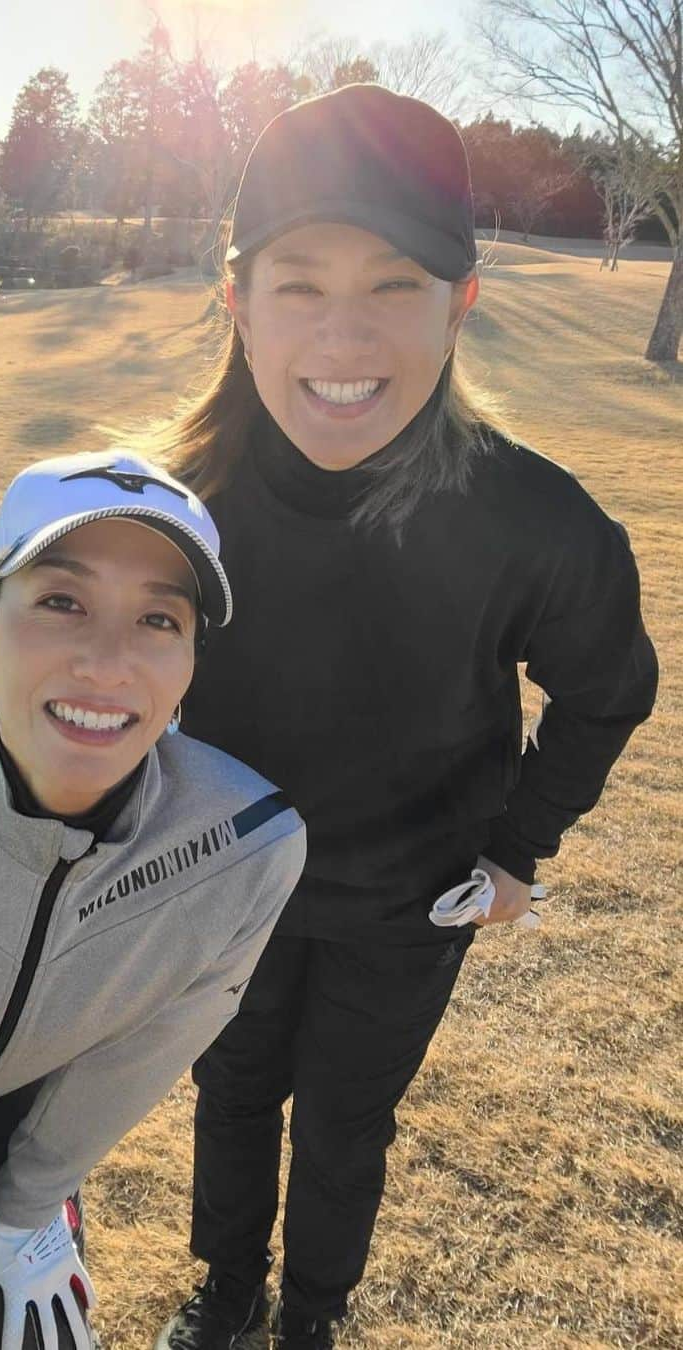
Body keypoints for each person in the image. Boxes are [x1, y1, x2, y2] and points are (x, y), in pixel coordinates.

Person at [147, 85, 659, 1350]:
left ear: (460, 306)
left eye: (394, 285)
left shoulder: (534, 517)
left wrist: (515, 852)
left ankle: (313, 1315)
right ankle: (226, 1291)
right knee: (230, 1090)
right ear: (238, 300)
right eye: (300, 281)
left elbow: (608, 689)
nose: (344, 332)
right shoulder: (170, 504)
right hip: (223, 886)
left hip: (410, 899)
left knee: (344, 1121)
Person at [0, 450, 308, 1350]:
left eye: (158, 618)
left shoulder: (248, 846)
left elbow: (144, 1050)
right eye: (62, 602)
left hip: (15, 1106)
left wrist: (27, 1205)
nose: (108, 663)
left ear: (191, 662)